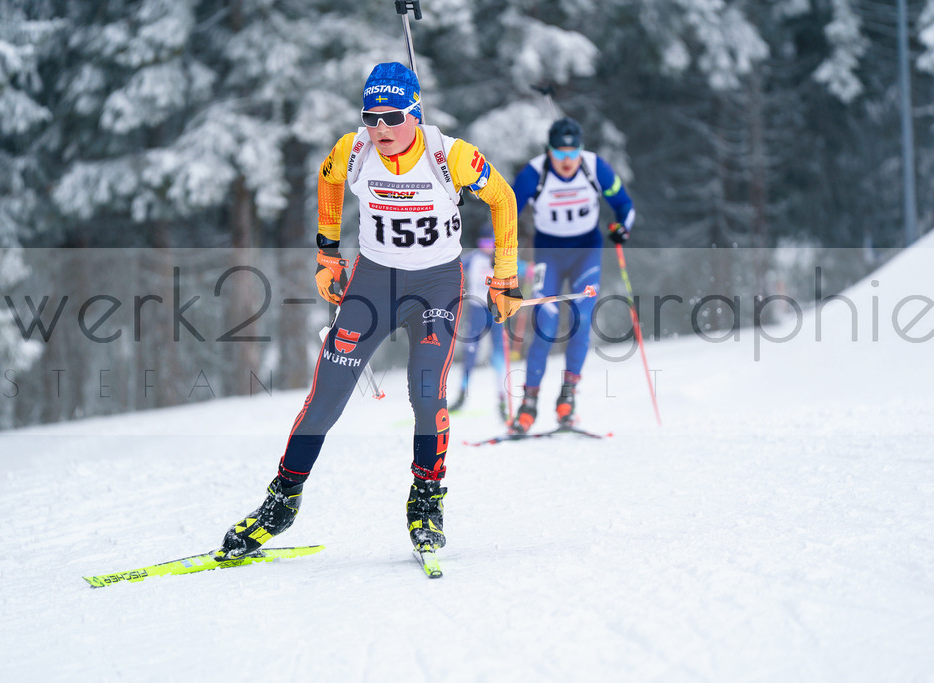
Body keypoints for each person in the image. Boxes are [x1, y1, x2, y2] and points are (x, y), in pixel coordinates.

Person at [218, 63, 522, 562]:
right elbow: (328, 181)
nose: (380, 128)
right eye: (370, 116)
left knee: (426, 391)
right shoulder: (354, 149)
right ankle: (282, 502)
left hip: (435, 286)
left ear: (415, 114)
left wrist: (505, 276)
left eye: (392, 117)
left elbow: (503, 199)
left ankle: (426, 501)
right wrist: (327, 253)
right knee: (327, 396)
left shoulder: (452, 156)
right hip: (373, 284)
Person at [509, 116, 635, 434]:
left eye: (572, 153)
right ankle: (529, 403)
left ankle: (567, 400)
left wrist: (623, 228)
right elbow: (505, 210)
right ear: (549, 151)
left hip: (586, 253)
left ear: (581, 150)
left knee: (580, 319)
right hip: (548, 254)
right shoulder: (534, 173)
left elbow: (625, 205)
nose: (567, 161)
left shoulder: (595, 168)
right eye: (560, 154)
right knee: (546, 324)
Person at [450, 225, 508, 420]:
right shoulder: (473, 259)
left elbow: (521, 268)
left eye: (489, 243)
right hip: (476, 310)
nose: (486, 247)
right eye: (482, 243)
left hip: (496, 310)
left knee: (499, 353)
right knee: (470, 352)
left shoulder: (502, 259)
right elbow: (453, 265)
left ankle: (502, 398)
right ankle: (461, 395)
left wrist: (532, 271)